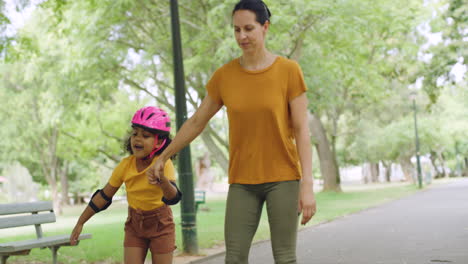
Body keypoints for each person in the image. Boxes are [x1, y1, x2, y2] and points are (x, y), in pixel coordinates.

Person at [148, 0, 316, 263]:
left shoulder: (288, 71)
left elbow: (302, 130)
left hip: (283, 178)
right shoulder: (225, 76)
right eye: (237, 30)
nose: (242, 36)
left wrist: (307, 185)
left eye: (249, 28)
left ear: (265, 27)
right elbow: (196, 122)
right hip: (242, 181)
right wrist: (163, 156)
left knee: (284, 258)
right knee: (234, 258)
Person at [70, 106, 182, 264]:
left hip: (161, 225)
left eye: (145, 135)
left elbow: (173, 197)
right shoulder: (125, 165)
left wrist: (162, 180)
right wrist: (80, 222)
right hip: (134, 225)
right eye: (135, 133)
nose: (137, 138)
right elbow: (103, 196)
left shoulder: (162, 164)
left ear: (159, 142)